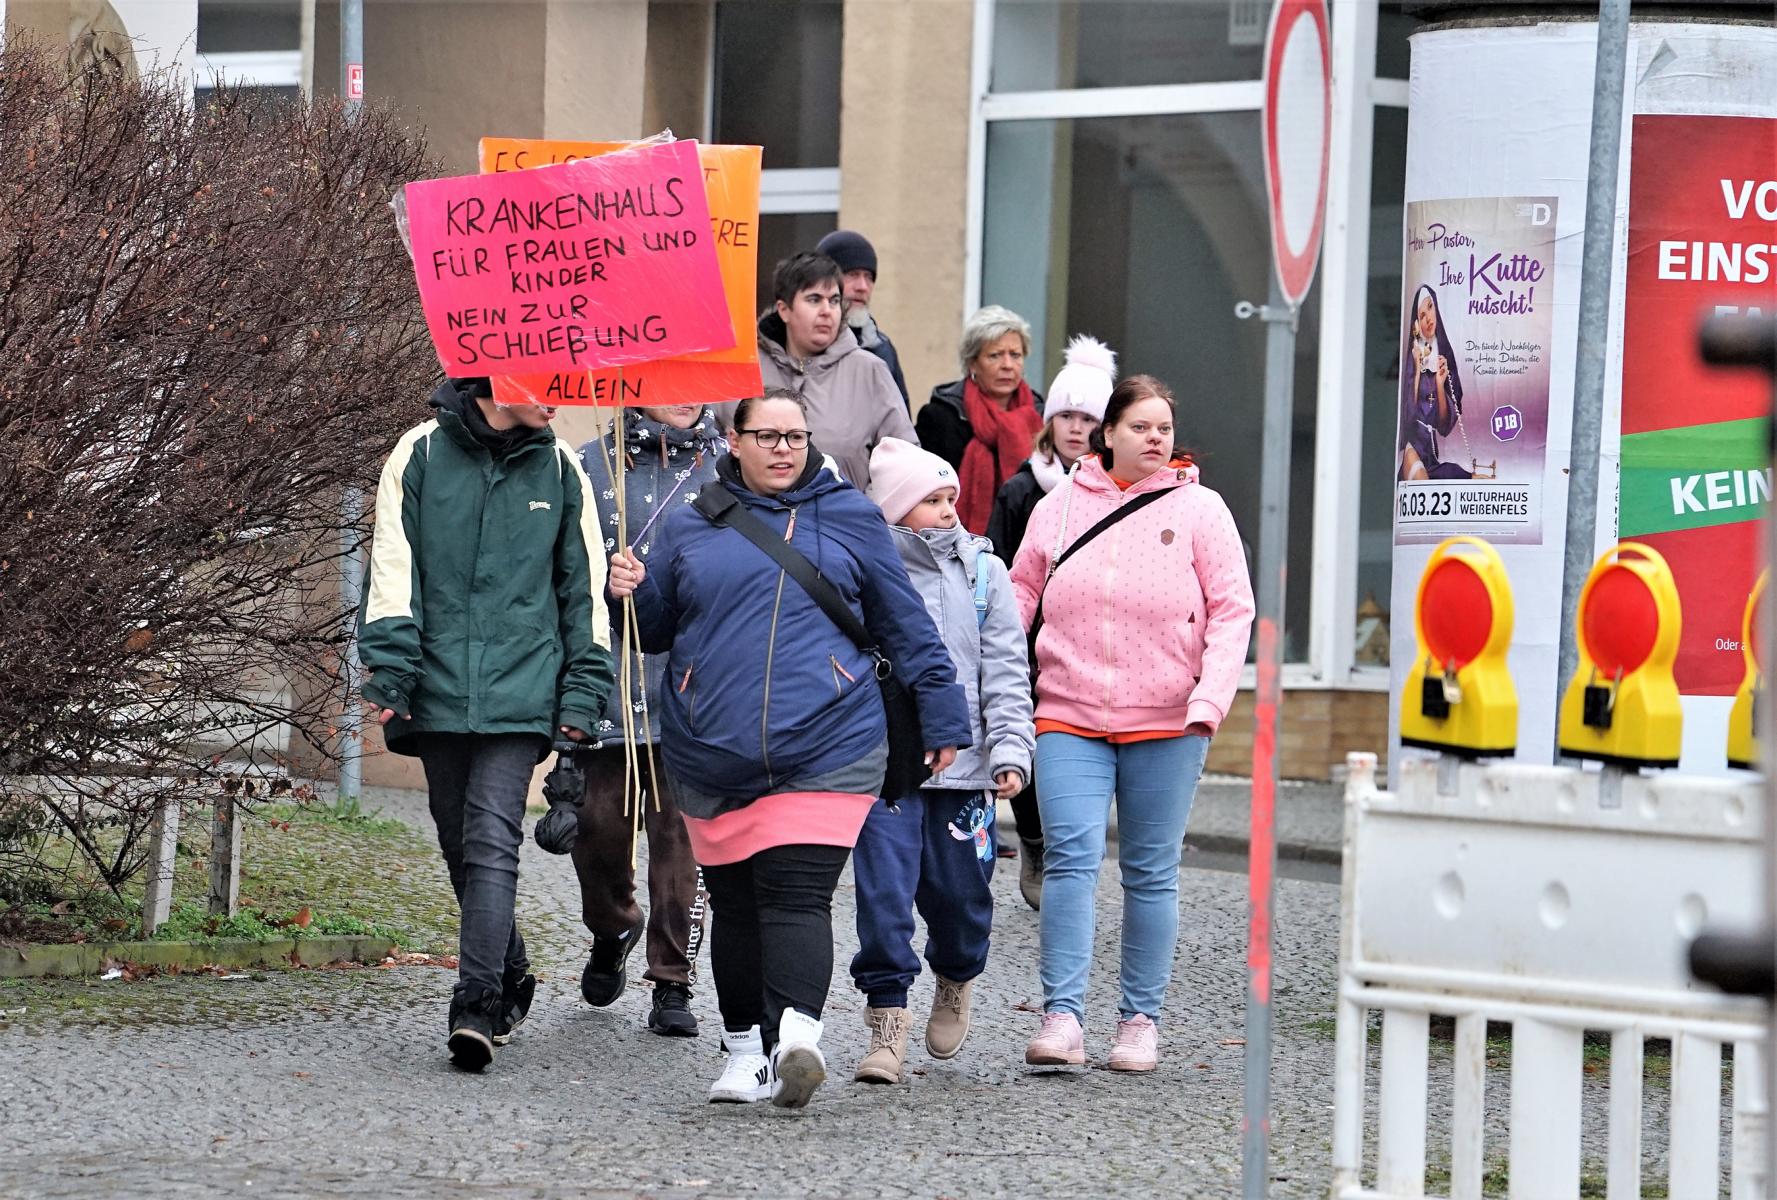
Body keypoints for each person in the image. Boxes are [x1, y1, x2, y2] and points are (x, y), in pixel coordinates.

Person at [606, 390, 970, 1109]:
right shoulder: (690, 522)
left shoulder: (851, 517)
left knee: (797, 892)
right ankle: (747, 1051)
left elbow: (904, 624)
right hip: (712, 743)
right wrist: (630, 593)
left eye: (795, 436)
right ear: (733, 440)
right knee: (737, 904)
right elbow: (655, 630)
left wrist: (943, 716)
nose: (783, 449)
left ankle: (798, 1037)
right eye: (767, 436)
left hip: (829, 740)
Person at [359, 376, 614, 1072]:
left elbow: (582, 593)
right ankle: (511, 966)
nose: (559, 397)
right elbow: (393, 568)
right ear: (500, 372)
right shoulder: (418, 453)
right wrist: (392, 668)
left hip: (524, 685)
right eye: (548, 379)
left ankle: (476, 1002)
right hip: (437, 681)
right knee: (456, 839)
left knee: (491, 836)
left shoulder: (560, 467)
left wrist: (582, 696)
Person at [1008, 374, 1254, 1073]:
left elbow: (1232, 609)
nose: (1154, 438)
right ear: (1107, 433)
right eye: (1140, 427)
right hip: (1067, 711)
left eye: (1164, 429)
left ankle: (1138, 1022)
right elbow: (1020, 592)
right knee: (1070, 860)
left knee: (1149, 872)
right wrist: (998, 684)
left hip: (1169, 719)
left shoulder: (1202, 509)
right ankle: (1061, 1018)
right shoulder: (1057, 508)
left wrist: (1209, 699)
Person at [849, 438, 1034, 1085]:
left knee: (959, 902)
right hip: (885, 769)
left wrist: (1010, 748)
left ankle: (955, 976)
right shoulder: (860, 571)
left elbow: (1006, 668)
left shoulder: (984, 574)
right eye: (932, 499)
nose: (949, 510)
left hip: (966, 770)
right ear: (894, 509)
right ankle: (887, 1019)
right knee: (883, 900)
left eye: (951, 497)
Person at [572, 403, 725, 1037]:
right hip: (609, 683)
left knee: (680, 846)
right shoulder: (590, 462)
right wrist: (603, 579)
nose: (686, 395)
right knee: (596, 831)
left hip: (697, 688)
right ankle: (612, 926)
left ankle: (672, 980)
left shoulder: (729, 467)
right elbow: (562, 565)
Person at [985, 333, 1116, 911]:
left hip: (1092, 645)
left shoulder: (1118, 494)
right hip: (1031, 645)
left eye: (1088, 418)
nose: (1075, 428)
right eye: (1066, 415)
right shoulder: (1021, 491)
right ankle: (1035, 842)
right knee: (1030, 745)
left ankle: (1066, 849)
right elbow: (1000, 565)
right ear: (1049, 422)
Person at [734, 252, 915, 492]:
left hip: (846, 514)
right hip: (751, 514)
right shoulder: (745, 367)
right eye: (814, 299)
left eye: (834, 300)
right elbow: (712, 445)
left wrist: (866, 507)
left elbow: (905, 462)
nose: (827, 311)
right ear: (784, 309)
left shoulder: (869, 371)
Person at [917, 305, 1044, 535]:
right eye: (995, 355)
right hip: (953, 538)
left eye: (1015, 355)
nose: (1007, 365)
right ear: (973, 363)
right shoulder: (941, 417)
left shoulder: (1040, 417)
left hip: (1027, 538)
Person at [816, 229, 909, 407]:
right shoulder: (798, 344)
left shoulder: (882, 349)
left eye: (869, 277)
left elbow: (900, 418)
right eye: (852, 275)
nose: (863, 287)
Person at [1398, 283, 1470, 481]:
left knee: (1455, 474)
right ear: (1416, 324)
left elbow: (1444, 426)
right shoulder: (1413, 359)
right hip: (1413, 448)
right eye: (1422, 315)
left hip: (1430, 452)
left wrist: (1439, 383)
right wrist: (1417, 371)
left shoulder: (1444, 358)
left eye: (1430, 307)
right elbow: (1408, 418)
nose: (1428, 318)